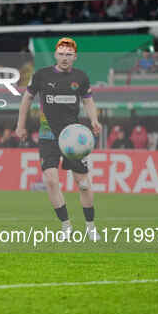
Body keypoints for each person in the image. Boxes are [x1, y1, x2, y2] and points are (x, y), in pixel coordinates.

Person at [16, 37, 103, 241]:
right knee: (51, 180)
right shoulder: (41, 75)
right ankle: (66, 226)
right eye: (62, 54)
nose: (65, 58)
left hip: (73, 137)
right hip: (48, 135)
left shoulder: (81, 77)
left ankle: (90, 227)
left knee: (82, 184)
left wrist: (94, 120)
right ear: (56, 55)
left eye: (69, 54)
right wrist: (20, 125)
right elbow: (26, 99)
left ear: (75, 57)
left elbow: (88, 101)